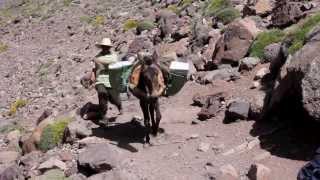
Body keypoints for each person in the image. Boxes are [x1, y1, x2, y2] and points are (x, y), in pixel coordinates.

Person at [85, 38, 123, 119]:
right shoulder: (97, 56)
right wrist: (92, 77)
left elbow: (113, 60)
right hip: (101, 80)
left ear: (109, 47)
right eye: (104, 46)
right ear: (101, 47)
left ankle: (119, 105)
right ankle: (103, 116)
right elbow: (94, 68)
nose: (105, 48)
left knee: (114, 99)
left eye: (107, 47)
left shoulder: (113, 55)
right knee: (102, 96)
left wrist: (97, 60)